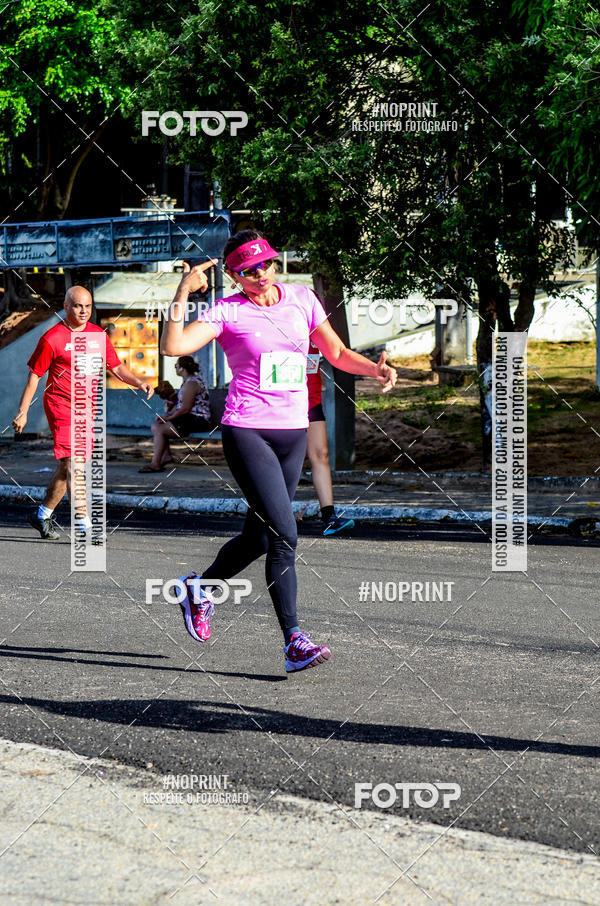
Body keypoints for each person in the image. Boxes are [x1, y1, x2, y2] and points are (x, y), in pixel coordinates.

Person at [161, 230, 397, 673]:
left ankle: (199, 589)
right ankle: (294, 642)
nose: (261, 274)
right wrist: (182, 291)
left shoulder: (302, 299)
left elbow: (337, 352)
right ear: (234, 276)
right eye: (249, 270)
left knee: (259, 536)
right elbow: (174, 347)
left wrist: (374, 370)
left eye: (266, 263)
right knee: (285, 534)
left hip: (293, 432)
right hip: (248, 431)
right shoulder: (227, 311)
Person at [12, 286, 154, 539]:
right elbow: (35, 375)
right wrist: (23, 412)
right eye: (78, 306)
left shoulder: (98, 335)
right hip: (60, 405)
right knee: (76, 465)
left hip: (86, 408)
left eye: (88, 306)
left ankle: (41, 514)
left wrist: (139, 382)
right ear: (66, 307)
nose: (83, 311)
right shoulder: (52, 338)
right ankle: (85, 525)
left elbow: (117, 367)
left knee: (68, 466)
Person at [306, 339, 355, 536]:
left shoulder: (314, 319)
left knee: (321, 454)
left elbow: (339, 352)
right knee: (280, 459)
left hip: (311, 400)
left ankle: (329, 516)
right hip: (280, 401)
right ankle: (268, 518)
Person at [139, 355, 211, 473]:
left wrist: (168, 418)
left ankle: (155, 463)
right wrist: (168, 415)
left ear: (182, 368)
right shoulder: (188, 382)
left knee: (160, 429)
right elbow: (180, 406)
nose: (175, 369)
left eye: (176, 366)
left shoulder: (191, 384)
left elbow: (185, 409)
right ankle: (164, 457)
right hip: (188, 418)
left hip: (198, 420)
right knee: (156, 426)